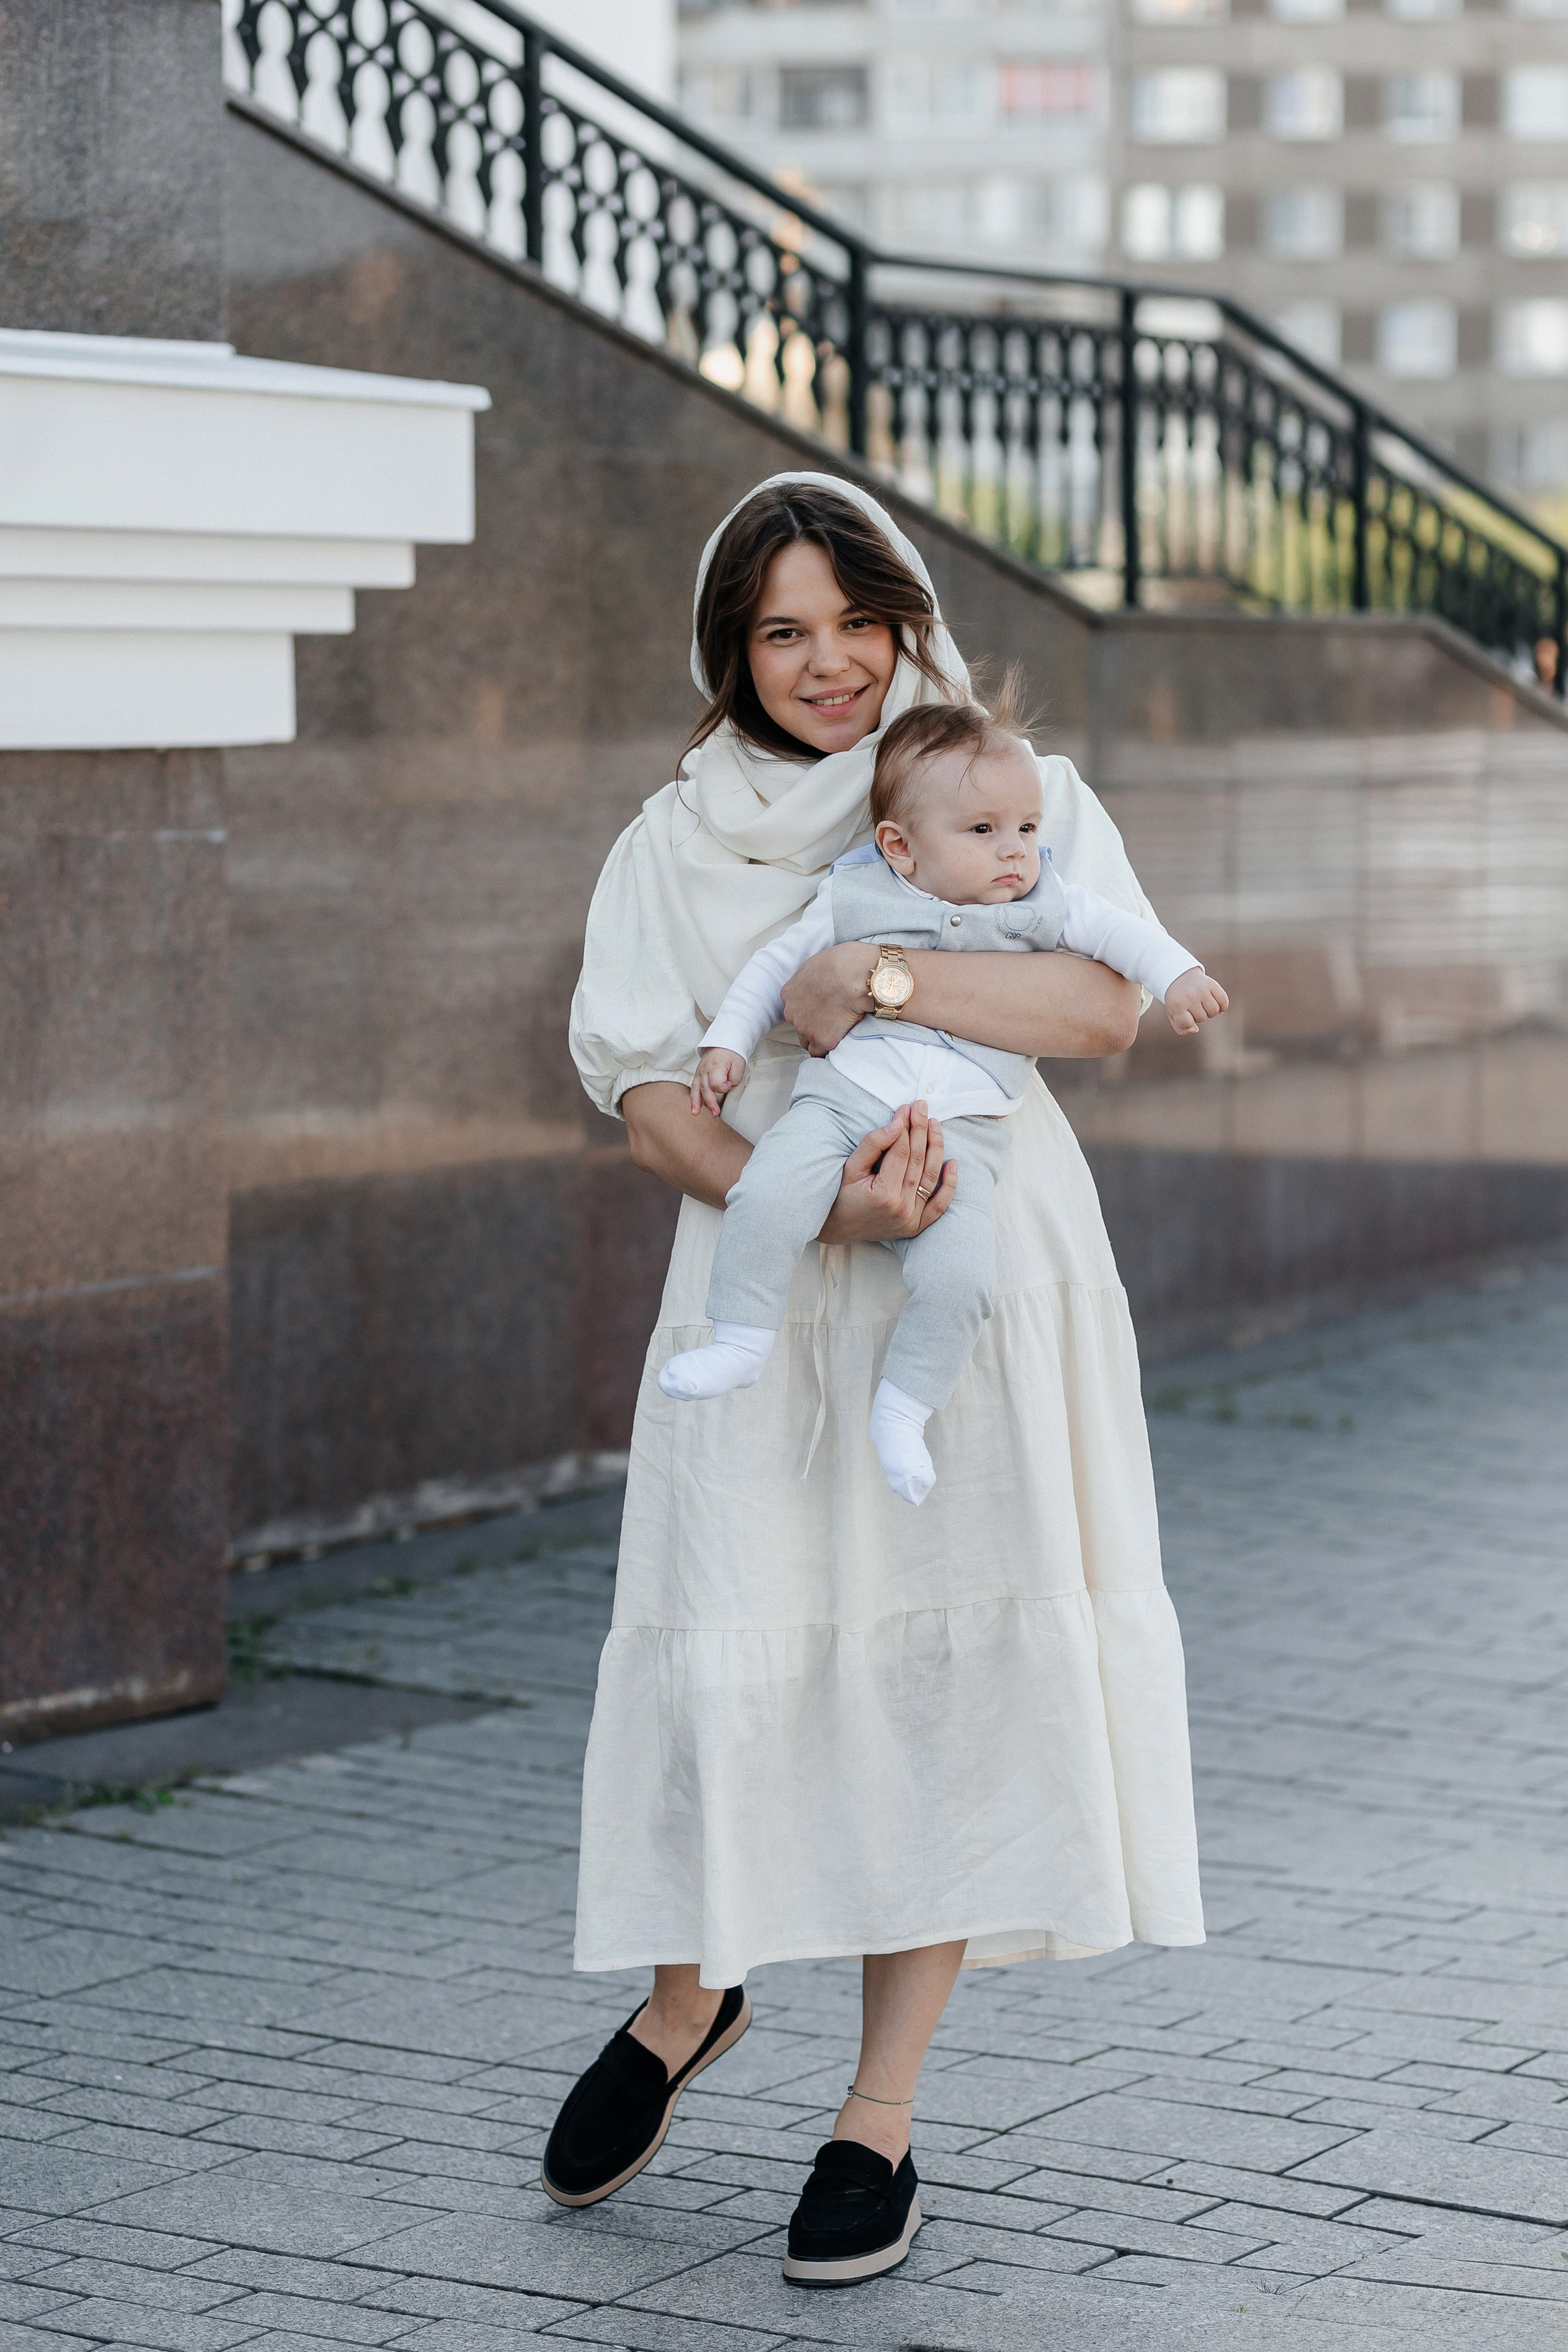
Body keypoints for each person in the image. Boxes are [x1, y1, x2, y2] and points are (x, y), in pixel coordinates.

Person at [549, 471, 1205, 2286]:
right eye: (782, 630)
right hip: (776, 1263)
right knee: (743, 1647)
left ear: (906, 621)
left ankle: (879, 2119)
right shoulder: (671, 844)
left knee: (937, 1665)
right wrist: (822, 1204)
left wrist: (876, 966)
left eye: (856, 621)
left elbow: (1095, 1006)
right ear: (731, 653)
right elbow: (651, 1097)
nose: (828, 664)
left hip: (982, 1278)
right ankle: (693, 1995)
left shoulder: (1015, 788)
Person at [658, 692, 1228, 1506]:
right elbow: (773, 968)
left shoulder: (1045, 905)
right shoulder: (854, 897)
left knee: (964, 1280)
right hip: (842, 1103)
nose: (1016, 853)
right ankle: (742, 1338)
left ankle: (904, 1410)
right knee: (768, 1191)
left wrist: (1181, 979)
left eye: (1028, 830)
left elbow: (1122, 939)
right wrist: (726, 1046)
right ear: (901, 848)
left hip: (966, 1140)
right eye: (984, 832)